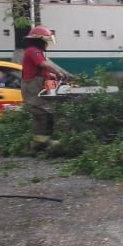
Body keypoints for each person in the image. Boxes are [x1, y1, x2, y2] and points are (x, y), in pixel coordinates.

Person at [20, 25, 75, 154]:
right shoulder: (33, 51)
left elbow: (42, 73)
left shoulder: (36, 52)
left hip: (36, 86)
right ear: (39, 40)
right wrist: (59, 72)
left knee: (48, 113)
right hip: (32, 88)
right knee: (42, 113)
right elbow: (43, 65)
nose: (47, 44)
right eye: (45, 41)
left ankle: (42, 144)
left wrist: (54, 76)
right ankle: (39, 144)